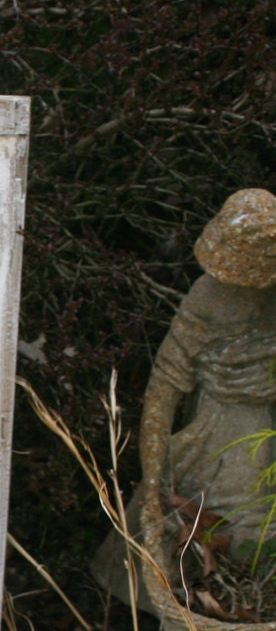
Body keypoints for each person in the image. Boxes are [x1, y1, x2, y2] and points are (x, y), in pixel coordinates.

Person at [93, 188, 276, 603]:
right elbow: (165, 385)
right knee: (207, 530)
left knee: (254, 535)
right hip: (220, 430)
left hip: (261, 433)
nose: (237, 282)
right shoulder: (210, 295)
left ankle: (239, 628)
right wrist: (154, 477)